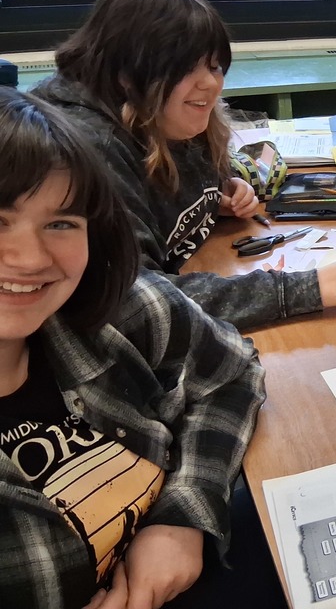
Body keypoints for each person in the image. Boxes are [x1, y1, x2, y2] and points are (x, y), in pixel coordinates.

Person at [0, 87, 269, 608]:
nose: (31, 259)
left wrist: (184, 517)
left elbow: (230, 372)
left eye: (60, 223)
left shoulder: (111, 308)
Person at [31, 0, 336, 333]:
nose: (211, 83)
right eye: (186, 68)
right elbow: (135, 301)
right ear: (127, 74)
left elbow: (188, 186)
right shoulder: (88, 151)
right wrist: (300, 289)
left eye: (214, 65)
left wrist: (218, 194)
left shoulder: (156, 112)